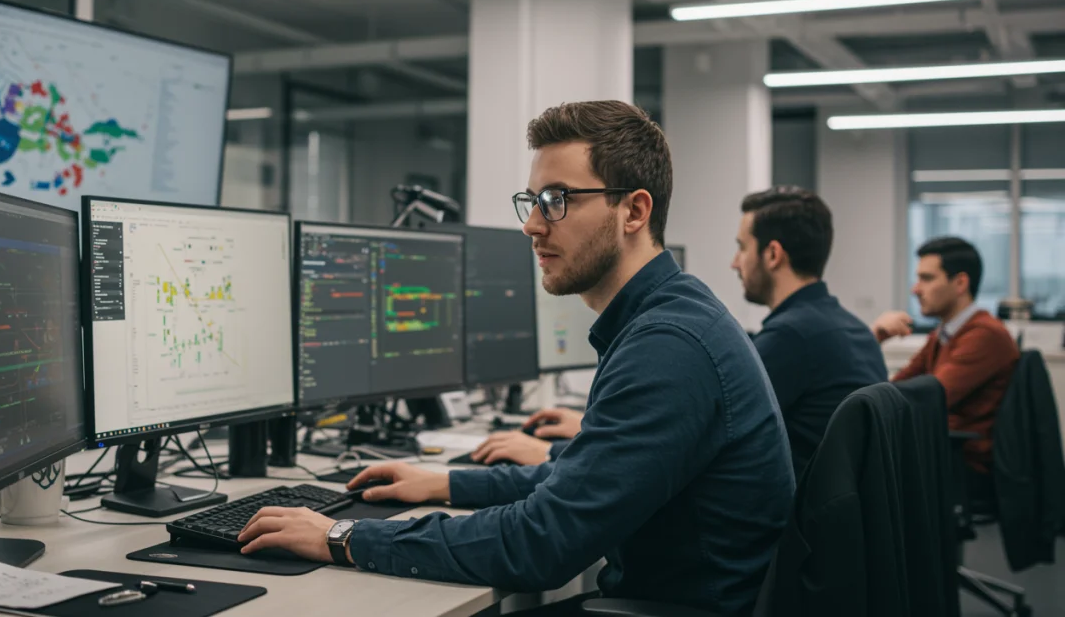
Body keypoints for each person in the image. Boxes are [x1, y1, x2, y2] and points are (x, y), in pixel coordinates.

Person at [235, 100, 795, 616]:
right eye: (533, 201)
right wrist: (447, 483)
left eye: (557, 200)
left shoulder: (669, 346)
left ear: (633, 211)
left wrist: (343, 537)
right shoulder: (670, 317)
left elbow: (541, 544)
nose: (532, 224)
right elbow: (579, 480)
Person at [731, 187, 888, 476]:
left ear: (773, 254)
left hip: (797, 513)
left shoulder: (790, 337)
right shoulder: (850, 326)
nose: (734, 263)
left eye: (742, 248)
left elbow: (720, 428)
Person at [873, 236, 1019, 489]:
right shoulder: (944, 334)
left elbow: (925, 398)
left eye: (927, 278)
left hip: (962, 466)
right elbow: (898, 388)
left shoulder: (984, 334)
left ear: (960, 282)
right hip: (938, 455)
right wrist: (874, 339)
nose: (915, 289)